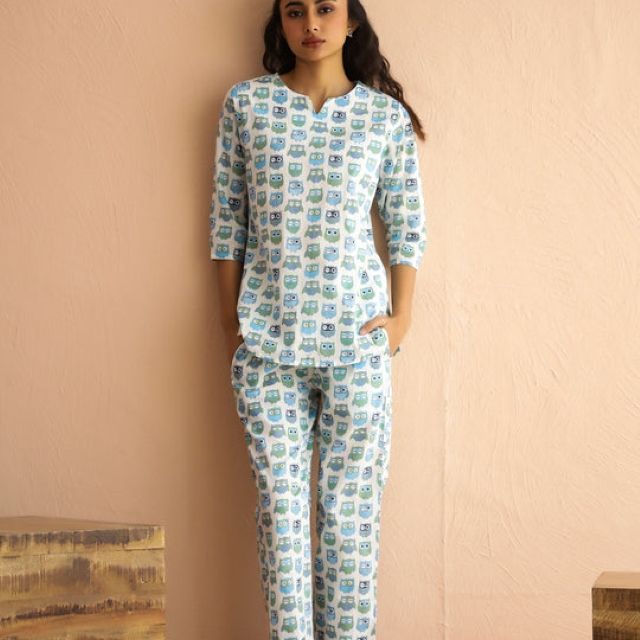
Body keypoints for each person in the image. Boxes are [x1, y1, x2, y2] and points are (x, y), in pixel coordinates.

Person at [209, 1, 427, 637]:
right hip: (266, 347)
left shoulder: (382, 118)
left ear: (350, 20)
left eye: (326, 9)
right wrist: (230, 323)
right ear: (280, 22)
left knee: (348, 520)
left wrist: (401, 319)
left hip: (357, 345)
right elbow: (227, 220)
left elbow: (407, 225)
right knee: (281, 520)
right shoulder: (247, 106)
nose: (311, 23)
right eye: (295, 10)